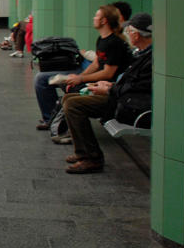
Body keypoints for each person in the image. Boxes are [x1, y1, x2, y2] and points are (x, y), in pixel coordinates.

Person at [62, 13, 153, 173]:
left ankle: (92, 158)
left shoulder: (150, 59)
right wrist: (110, 85)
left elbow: (139, 88)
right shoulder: (142, 54)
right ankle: (83, 152)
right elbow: (132, 84)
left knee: (73, 104)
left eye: (129, 32)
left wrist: (109, 89)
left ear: (136, 34)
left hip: (130, 106)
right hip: (124, 98)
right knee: (69, 98)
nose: (127, 35)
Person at [34, 4, 131, 131]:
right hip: (97, 79)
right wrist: (79, 76)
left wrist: (81, 80)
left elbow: (108, 73)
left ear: (104, 21)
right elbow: (96, 64)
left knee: (70, 89)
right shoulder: (102, 39)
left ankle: (60, 124)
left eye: (97, 16)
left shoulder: (114, 43)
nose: (93, 18)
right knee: (43, 79)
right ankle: (51, 119)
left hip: (107, 85)